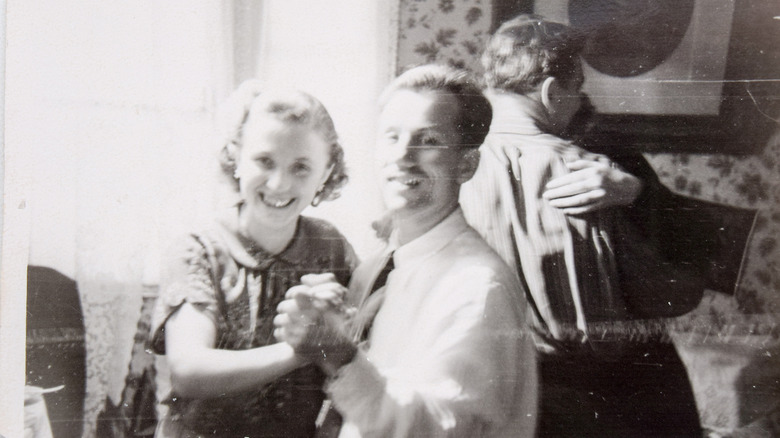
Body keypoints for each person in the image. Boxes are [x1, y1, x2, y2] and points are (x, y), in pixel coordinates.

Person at [460, 15, 706, 436]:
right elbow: (675, 293)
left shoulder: (456, 167)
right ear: (551, 93)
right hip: (597, 399)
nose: (581, 103)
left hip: (500, 393)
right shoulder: (588, 171)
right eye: (579, 90)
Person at [274, 64, 538, 437]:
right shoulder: (382, 266)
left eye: (428, 140)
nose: (403, 155)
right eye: (392, 136)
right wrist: (334, 331)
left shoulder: (479, 288)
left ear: (466, 164)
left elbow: (439, 429)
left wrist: (339, 354)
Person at [148, 82, 357, 438]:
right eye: (265, 161)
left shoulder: (332, 249)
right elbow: (188, 370)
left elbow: (357, 355)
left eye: (301, 167)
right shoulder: (198, 249)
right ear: (236, 156)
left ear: (325, 173)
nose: (278, 183)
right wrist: (302, 350)